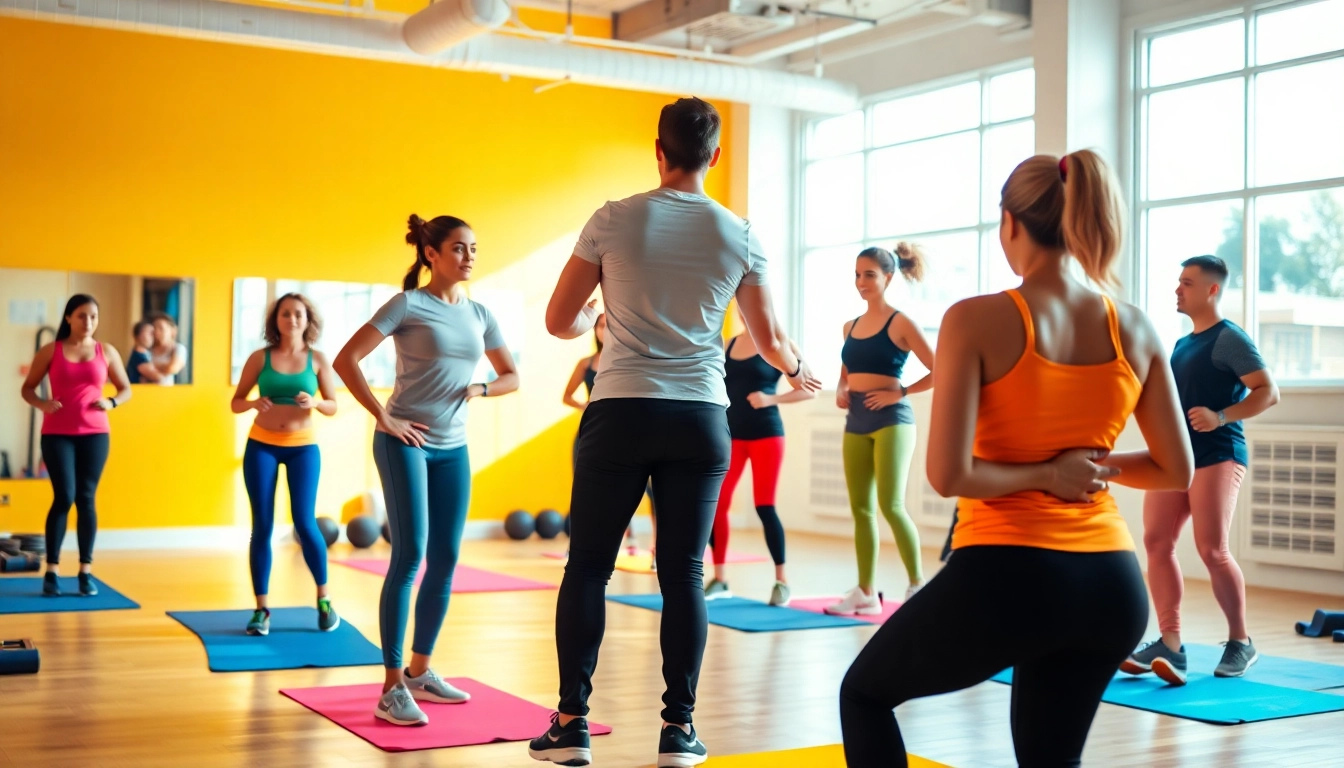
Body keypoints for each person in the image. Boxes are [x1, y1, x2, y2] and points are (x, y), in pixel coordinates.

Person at [838, 151, 1194, 768]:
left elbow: (948, 475)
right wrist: (1093, 471)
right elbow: (1175, 469)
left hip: (1010, 576)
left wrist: (1047, 474)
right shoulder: (1133, 326)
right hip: (1111, 586)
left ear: (1010, 224)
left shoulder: (974, 319)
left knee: (864, 695)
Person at [528, 97, 820, 768]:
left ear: (656, 150)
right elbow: (770, 339)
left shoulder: (613, 217)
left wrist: (597, 315)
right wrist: (801, 370)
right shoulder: (738, 233)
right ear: (714, 157)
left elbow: (559, 320)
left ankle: (572, 724)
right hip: (699, 416)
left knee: (589, 569)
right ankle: (678, 732)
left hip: (621, 408)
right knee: (683, 573)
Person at [334, 214, 518, 727]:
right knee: (410, 555)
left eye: (474, 248)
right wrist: (384, 416)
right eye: (459, 248)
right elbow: (347, 359)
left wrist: (480, 389)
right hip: (404, 444)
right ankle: (390, 686)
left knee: (446, 559)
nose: (469, 256)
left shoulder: (481, 314)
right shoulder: (409, 304)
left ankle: (420, 671)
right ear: (431, 254)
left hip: (453, 448)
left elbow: (511, 375)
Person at [1121, 255, 1280, 685]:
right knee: (1156, 540)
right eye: (1178, 281)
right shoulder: (1182, 343)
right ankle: (1170, 643)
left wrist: (1222, 415)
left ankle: (1240, 641)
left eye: (1187, 283)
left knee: (1211, 549)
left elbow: (1268, 391)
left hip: (1219, 453)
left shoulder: (1229, 339)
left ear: (1212, 290)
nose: (1178, 289)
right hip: (1177, 458)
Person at [825, 244, 935, 615]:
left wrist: (900, 392)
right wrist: (842, 390)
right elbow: (846, 373)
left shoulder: (901, 322)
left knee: (890, 505)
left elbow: (941, 368)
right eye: (857, 275)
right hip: (856, 419)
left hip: (893, 421)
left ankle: (918, 584)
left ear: (888, 277)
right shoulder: (849, 327)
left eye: (869, 274)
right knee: (861, 509)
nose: (861, 282)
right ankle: (866, 592)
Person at [230, 293, 341, 636]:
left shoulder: (318, 360)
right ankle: (261, 609)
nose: (291, 319)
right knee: (261, 525)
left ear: (308, 320)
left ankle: (324, 599)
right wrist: (252, 403)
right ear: (275, 320)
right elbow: (235, 403)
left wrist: (316, 403)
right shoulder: (258, 358)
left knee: (305, 523)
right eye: (284, 314)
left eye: (298, 314)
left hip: (303, 447)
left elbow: (334, 405)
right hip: (262, 445)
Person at [20, 294, 132, 597]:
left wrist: (110, 401)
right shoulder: (51, 350)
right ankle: (52, 571)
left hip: (96, 434)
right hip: (57, 434)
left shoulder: (105, 351)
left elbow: (125, 390)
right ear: (69, 317)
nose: (89, 322)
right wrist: (43, 404)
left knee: (86, 497)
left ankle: (85, 571)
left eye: (94, 316)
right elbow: (27, 389)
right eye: (82, 316)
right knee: (64, 496)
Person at [703, 309, 814, 605]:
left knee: (765, 506)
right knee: (718, 505)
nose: (745, 308)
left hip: (767, 434)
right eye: (741, 302)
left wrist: (772, 399)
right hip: (732, 436)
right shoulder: (726, 345)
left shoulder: (779, 344)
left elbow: (809, 389)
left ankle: (781, 581)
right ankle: (721, 577)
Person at [562, 311, 655, 559]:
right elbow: (567, 396)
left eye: (609, 325)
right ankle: (577, 545)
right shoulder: (586, 363)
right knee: (585, 491)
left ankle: (652, 546)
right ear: (595, 330)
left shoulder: (627, 359)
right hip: (591, 432)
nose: (605, 329)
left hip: (626, 433)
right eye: (601, 325)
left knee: (645, 489)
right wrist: (587, 406)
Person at [148, 313, 187, 386]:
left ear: (173, 331)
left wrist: (150, 366)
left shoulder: (178, 348)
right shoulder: (147, 349)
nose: (156, 332)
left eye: (160, 328)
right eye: (154, 328)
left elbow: (172, 368)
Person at [125, 320, 155, 384]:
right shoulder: (138, 357)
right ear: (139, 335)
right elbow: (157, 377)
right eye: (150, 333)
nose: (153, 336)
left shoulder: (147, 354)